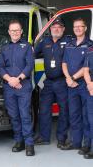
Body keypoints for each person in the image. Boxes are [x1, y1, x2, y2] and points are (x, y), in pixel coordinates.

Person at [0, 20, 35, 156]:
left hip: (23, 86)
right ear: (8, 32)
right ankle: (19, 142)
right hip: (9, 87)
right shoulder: (4, 47)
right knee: (14, 116)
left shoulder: (27, 46)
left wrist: (18, 79)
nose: (15, 33)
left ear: (21, 31)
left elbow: (29, 66)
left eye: (17, 30)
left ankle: (29, 144)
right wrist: (10, 80)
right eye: (12, 30)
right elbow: (0, 67)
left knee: (25, 115)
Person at [34, 18, 70, 148]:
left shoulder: (69, 42)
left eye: (59, 27)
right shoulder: (44, 42)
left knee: (64, 111)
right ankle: (44, 137)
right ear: (50, 29)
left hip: (62, 82)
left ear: (63, 29)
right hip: (48, 82)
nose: (56, 29)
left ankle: (62, 138)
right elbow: (32, 53)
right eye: (54, 27)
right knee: (43, 110)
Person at [61, 18, 93, 153]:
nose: (78, 29)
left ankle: (87, 144)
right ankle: (76, 142)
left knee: (87, 115)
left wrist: (73, 78)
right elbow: (64, 64)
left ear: (85, 28)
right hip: (71, 85)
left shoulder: (90, 45)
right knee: (74, 115)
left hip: (85, 84)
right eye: (75, 27)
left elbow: (86, 67)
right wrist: (69, 78)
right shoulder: (69, 44)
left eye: (81, 26)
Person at [83, 46, 93, 159]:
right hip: (90, 89)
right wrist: (90, 84)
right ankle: (89, 147)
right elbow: (85, 69)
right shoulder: (90, 50)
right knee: (90, 120)